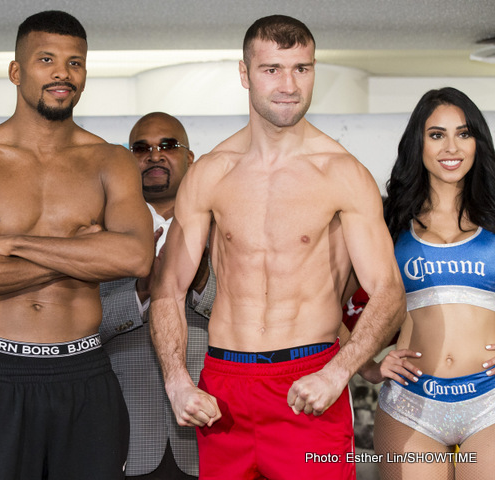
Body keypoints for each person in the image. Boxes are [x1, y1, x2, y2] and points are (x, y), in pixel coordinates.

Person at [150, 15, 406, 479]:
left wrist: (339, 372)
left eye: (301, 69)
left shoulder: (342, 173)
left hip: (310, 384)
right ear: (245, 74)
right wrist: (176, 382)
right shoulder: (211, 172)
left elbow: (388, 290)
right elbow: (167, 289)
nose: (289, 84)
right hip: (224, 389)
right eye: (272, 69)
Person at [0, 11, 153, 480]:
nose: (61, 73)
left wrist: (9, 243)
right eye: (46, 59)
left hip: (85, 373)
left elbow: (134, 256)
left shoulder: (111, 160)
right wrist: (81, 254)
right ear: (16, 71)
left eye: (75, 63)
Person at [367, 87, 495, 479]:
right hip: (410, 406)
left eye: (464, 133)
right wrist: (368, 369)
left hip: (489, 403)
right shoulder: (387, 219)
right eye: (436, 134)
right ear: (417, 144)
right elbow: (323, 296)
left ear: (478, 141)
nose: (451, 147)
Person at [100, 112, 215, 479]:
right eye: (141, 148)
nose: (154, 155)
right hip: (125, 432)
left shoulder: (225, 226)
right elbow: (81, 326)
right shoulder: (101, 230)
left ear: (190, 158)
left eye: (168, 145)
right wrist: (141, 291)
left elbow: (253, 317)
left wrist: (199, 285)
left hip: (211, 427)